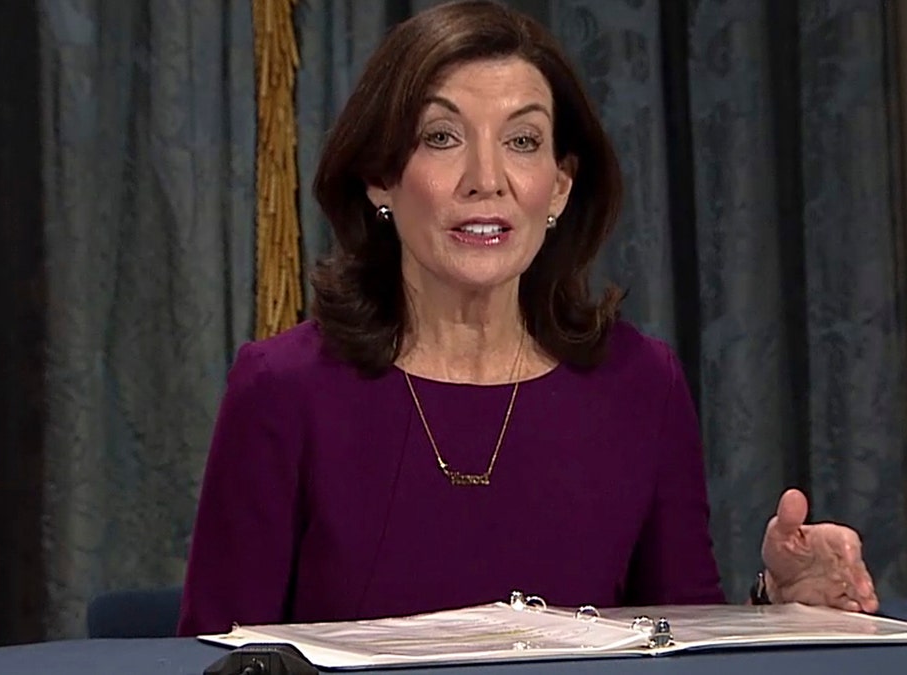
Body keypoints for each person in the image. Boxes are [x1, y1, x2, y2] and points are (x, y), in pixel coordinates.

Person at [176, 0, 879, 637]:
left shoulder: (640, 384)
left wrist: (781, 608)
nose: (488, 178)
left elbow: (679, 643)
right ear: (380, 178)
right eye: (442, 136)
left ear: (560, 186)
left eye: (521, 141)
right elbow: (213, 657)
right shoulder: (283, 387)